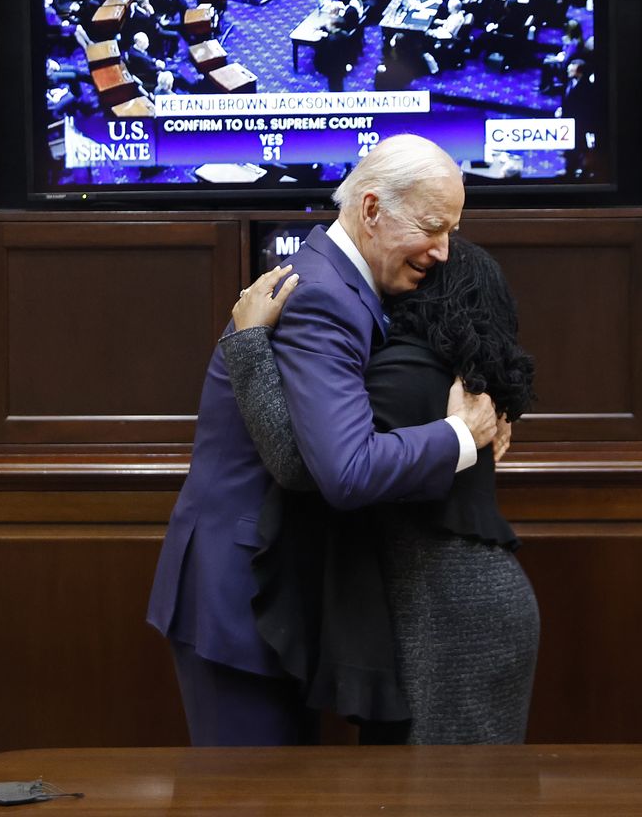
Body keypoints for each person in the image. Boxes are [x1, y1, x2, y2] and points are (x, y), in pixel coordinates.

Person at [146, 136, 501, 746]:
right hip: (243, 595)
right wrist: (459, 436)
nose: (444, 251)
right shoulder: (322, 298)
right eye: (433, 228)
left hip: (273, 587)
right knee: (249, 803)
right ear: (371, 210)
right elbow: (347, 469)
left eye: (453, 230)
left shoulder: (345, 284)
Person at [225, 234, 538, 743]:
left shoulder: (410, 370)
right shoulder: (457, 376)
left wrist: (250, 344)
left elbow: (307, 466)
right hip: (464, 604)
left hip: (448, 612)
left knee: (443, 792)